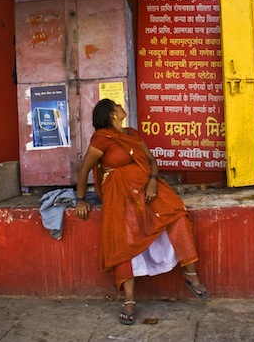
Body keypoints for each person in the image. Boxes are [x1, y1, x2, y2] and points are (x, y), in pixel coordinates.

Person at [75, 99, 208, 326]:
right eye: (117, 106)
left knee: (177, 214)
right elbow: (84, 169)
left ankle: (190, 273)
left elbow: (151, 161)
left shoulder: (132, 133)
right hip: (119, 195)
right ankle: (129, 300)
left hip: (146, 189)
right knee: (123, 238)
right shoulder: (102, 139)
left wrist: (153, 181)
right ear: (111, 115)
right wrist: (79, 199)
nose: (121, 106)